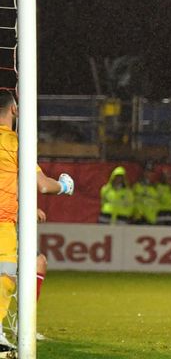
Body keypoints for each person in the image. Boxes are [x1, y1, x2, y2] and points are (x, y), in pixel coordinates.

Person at [0, 91, 74, 351]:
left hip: (10, 215)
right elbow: (44, 186)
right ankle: (16, 329)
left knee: (33, 263)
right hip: (3, 224)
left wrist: (25, 208)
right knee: (9, 273)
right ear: (15, 110)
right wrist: (65, 185)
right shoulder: (15, 142)